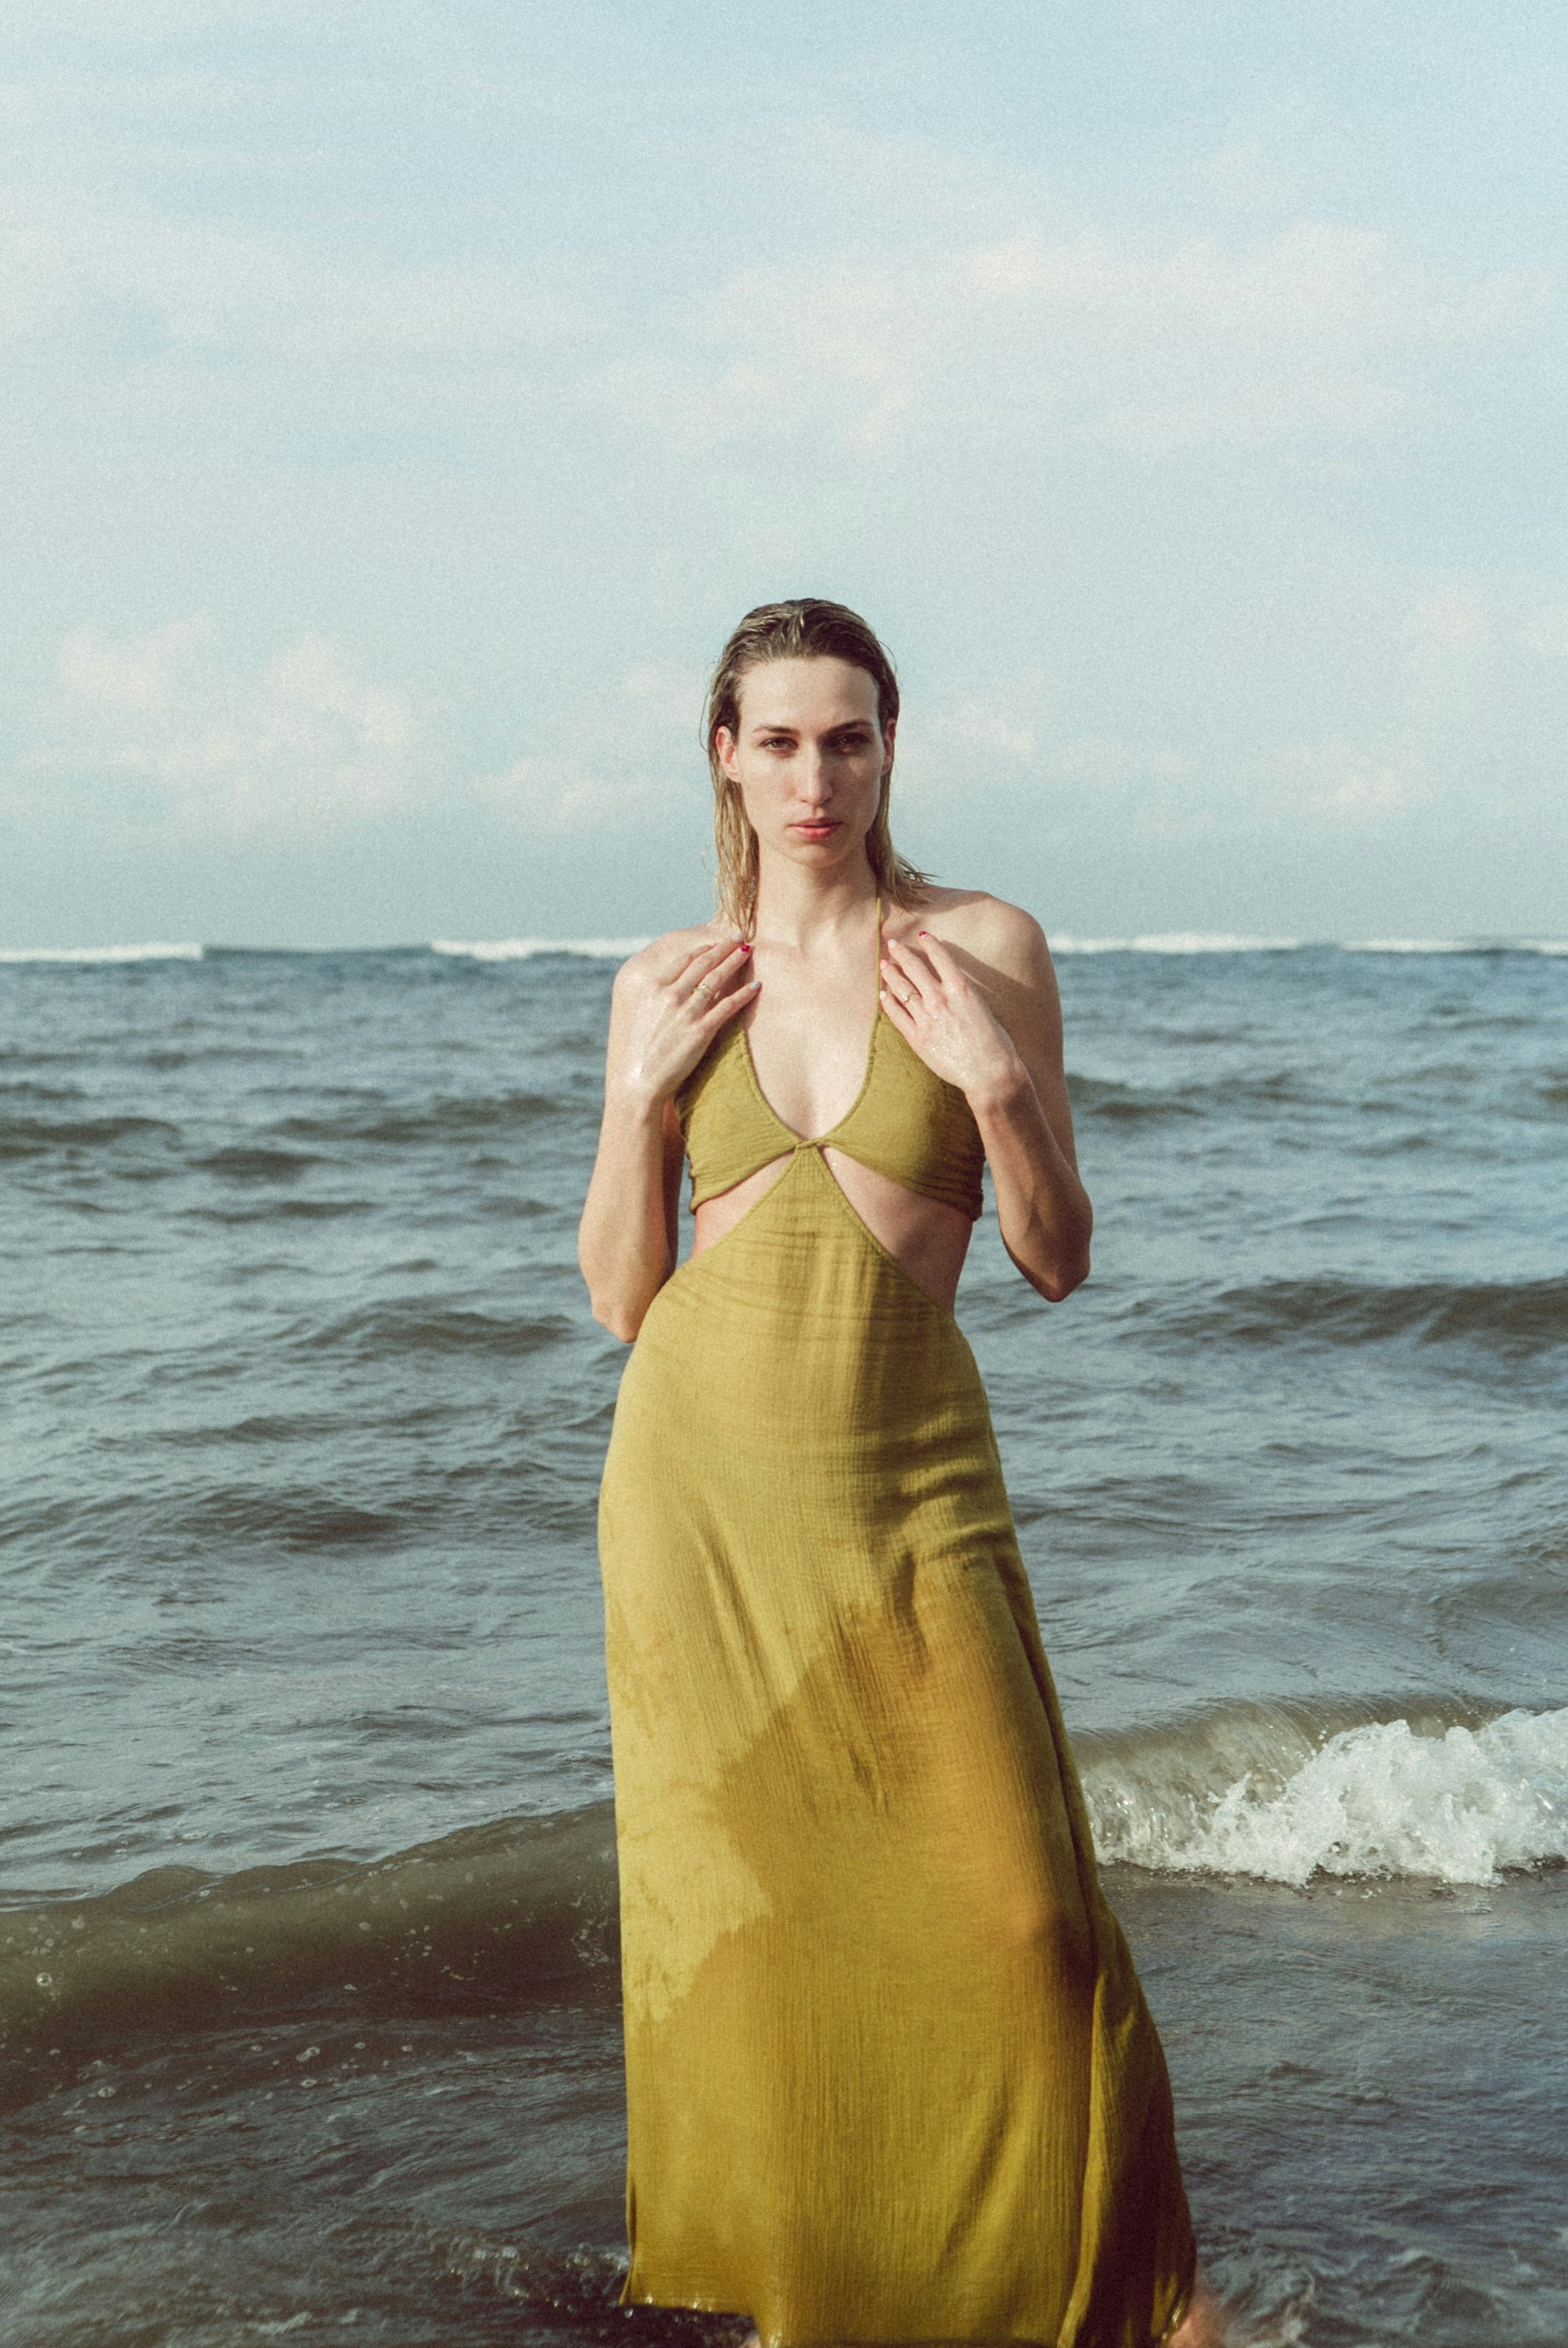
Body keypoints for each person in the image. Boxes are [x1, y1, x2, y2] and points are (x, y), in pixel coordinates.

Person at [578, 600, 1222, 2347]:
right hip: (700, 1502)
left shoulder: (982, 945)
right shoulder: (666, 981)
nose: (816, 776)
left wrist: (1002, 1089)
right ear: (724, 749)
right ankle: (816, 2298)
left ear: (889, 746)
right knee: (758, 1938)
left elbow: (1058, 1259)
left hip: (911, 1483)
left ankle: (1130, 2302)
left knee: (1028, 1923)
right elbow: (627, 1301)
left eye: (848, 737)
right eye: (778, 739)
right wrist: (639, 1107)